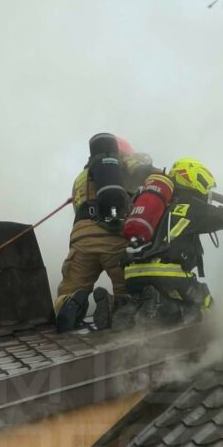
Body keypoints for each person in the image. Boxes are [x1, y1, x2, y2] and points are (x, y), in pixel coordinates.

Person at [114, 157, 223, 329]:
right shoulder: (190, 206)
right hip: (165, 273)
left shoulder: (159, 206)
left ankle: (129, 306)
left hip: (131, 273)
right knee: (203, 302)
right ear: (195, 180)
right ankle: (163, 307)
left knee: (154, 301)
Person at [54, 133, 155, 332]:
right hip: (114, 236)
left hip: (81, 238)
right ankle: (116, 306)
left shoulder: (80, 178)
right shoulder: (122, 169)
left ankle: (71, 303)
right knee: (127, 288)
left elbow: (77, 206)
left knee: (69, 289)